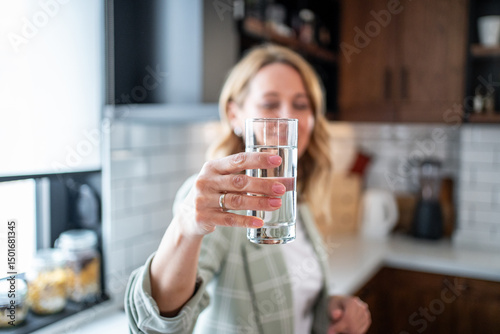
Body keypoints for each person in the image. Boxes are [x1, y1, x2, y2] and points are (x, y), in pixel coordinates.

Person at [125, 44, 371, 334]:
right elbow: (156, 325)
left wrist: (328, 309)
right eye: (269, 104)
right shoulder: (213, 201)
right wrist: (185, 227)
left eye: (301, 105)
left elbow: (292, 298)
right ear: (234, 115)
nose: (286, 117)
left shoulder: (296, 201)